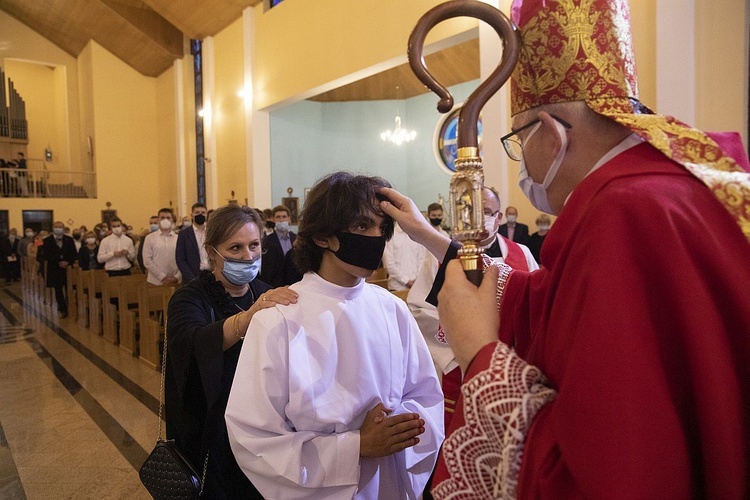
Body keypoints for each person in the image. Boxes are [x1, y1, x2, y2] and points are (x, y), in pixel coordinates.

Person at [380, 0, 750, 497]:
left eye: (517, 142)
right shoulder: (668, 190)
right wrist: (492, 289)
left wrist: (476, 348)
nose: (521, 162)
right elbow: (569, 310)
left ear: (550, 134)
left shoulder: (621, 212)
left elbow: (609, 470)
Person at [225, 172, 444, 499]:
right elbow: (254, 437)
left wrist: (397, 429)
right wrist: (357, 447)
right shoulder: (279, 318)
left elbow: (425, 395)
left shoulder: (392, 309)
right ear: (322, 237)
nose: (375, 238)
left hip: (389, 481)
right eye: (361, 227)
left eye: (381, 228)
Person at [165, 204, 298, 499]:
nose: (248, 256)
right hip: (210, 429)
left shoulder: (265, 291)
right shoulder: (189, 298)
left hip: (260, 424)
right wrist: (248, 318)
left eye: (254, 246)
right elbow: (194, 344)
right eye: (235, 248)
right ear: (212, 252)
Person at [407, 187, 538, 427]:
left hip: (514, 365)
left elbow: (534, 308)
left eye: (487, 212)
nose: (480, 219)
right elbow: (419, 310)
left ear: (499, 217)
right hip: (458, 366)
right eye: (473, 212)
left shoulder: (523, 253)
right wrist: (463, 340)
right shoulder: (440, 256)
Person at [38, 221, 77, 318]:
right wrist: (57, 261)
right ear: (53, 228)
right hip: (54, 268)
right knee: (58, 289)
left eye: (60, 227)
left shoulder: (69, 239)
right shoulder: (47, 240)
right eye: (56, 227)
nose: (58, 228)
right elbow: (44, 255)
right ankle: (62, 309)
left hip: (68, 268)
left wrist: (68, 262)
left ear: (63, 228)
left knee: (69, 289)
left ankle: (71, 308)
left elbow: (74, 254)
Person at [259, 205, 296, 288]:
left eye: (284, 217)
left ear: (289, 219)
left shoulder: (295, 238)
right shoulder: (267, 241)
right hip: (275, 285)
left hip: (294, 284)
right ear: (273, 219)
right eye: (278, 217)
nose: (281, 220)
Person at [382, 222, 427, 291]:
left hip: (416, 287)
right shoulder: (391, 235)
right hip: (397, 287)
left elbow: (422, 259)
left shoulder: (416, 235)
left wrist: (417, 280)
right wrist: (406, 281)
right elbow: (389, 264)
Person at [142, 208, 181, 285]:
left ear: (172, 220)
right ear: (158, 220)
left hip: (176, 281)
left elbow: (183, 259)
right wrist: (162, 276)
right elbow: (147, 260)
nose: (165, 220)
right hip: (155, 281)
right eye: (162, 218)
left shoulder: (179, 238)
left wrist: (177, 277)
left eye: (168, 218)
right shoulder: (150, 238)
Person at [176, 203, 210, 283]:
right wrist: (192, 278)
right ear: (192, 215)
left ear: (206, 215)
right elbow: (180, 259)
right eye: (197, 212)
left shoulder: (211, 232)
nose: (200, 215)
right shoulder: (184, 234)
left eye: (203, 213)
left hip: (210, 275)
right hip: (192, 276)